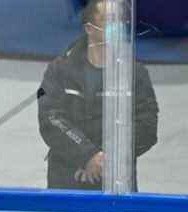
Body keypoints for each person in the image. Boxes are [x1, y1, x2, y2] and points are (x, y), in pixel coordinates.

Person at [38, 0, 158, 191]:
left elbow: (147, 125)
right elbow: (50, 119)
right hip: (66, 179)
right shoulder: (59, 70)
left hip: (116, 180)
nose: (117, 27)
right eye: (110, 21)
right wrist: (87, 155)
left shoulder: (136, 73)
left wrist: (105, 158)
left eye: (121, 20)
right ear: (89, 28)